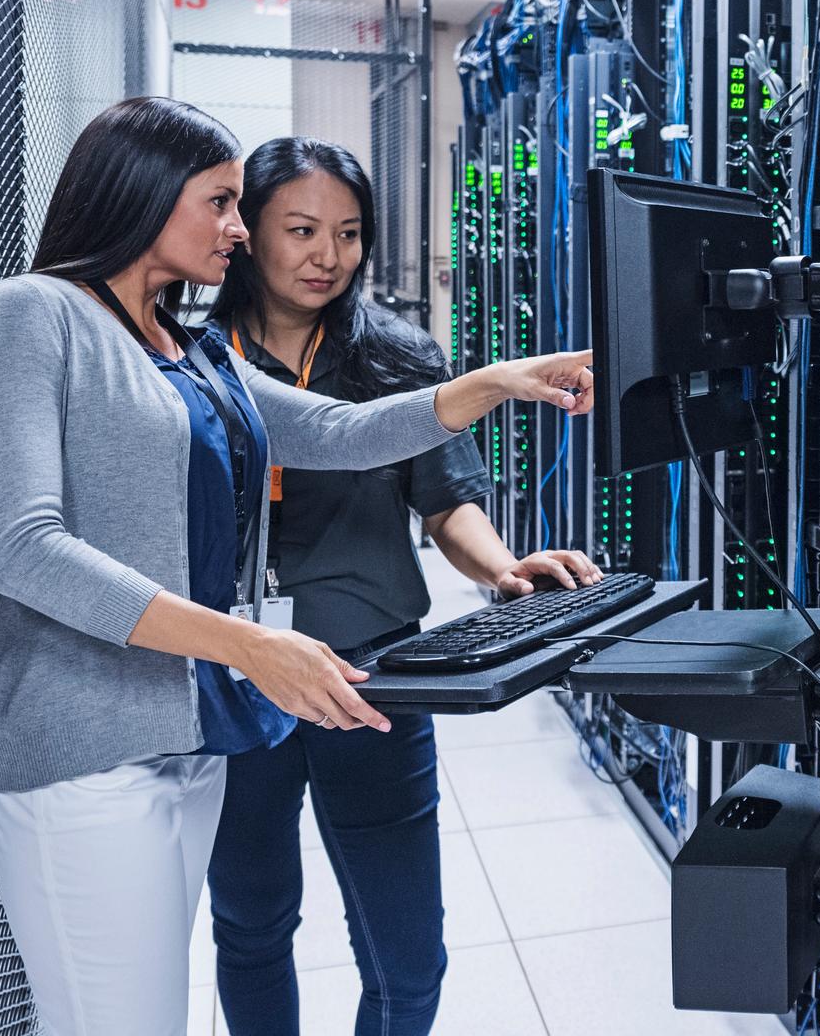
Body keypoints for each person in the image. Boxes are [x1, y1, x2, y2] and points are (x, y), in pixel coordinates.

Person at [0, 98, 594, 1036]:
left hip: (189, 734)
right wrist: (249, 645)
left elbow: (339, 431)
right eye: (223, 202)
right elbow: (19, 545)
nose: (238, 227)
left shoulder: (183, 350)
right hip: (92, 745)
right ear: (141, 194)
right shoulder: (36, 315)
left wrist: (493, 382)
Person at [203, 137, 602, 1035]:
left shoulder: (398, 356)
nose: (327, 256)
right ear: (247, 230)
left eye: (348, 233)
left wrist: (503, 568)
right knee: (252, 927)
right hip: (237, 679)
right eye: (301, 230)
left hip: (377, 680)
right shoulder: (193, 359)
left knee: (408, 956)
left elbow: (446, 500)